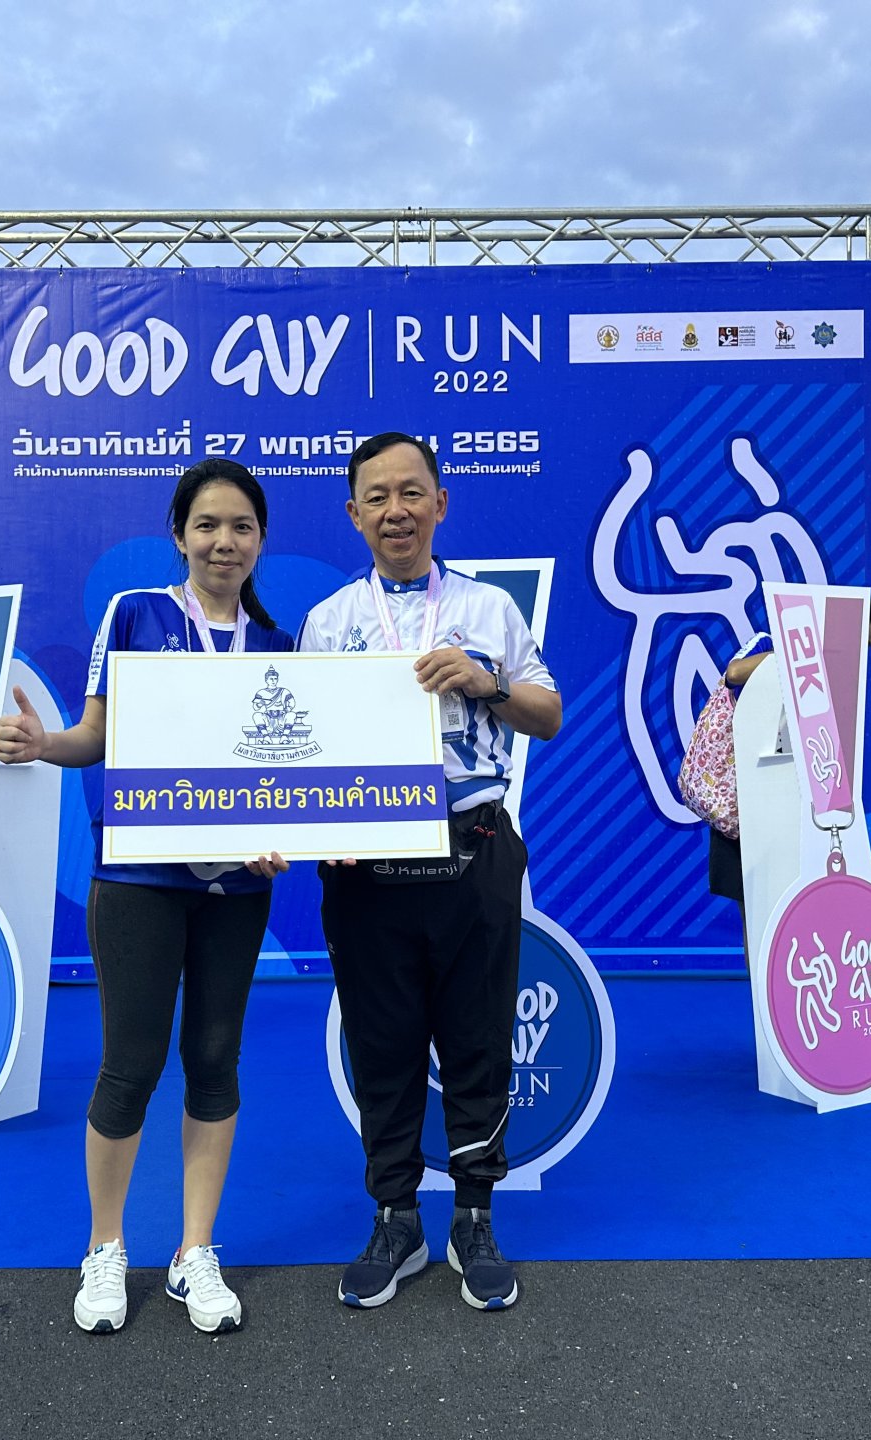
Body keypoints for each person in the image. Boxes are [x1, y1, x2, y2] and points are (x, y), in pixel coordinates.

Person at [0, 458, 292, 1336]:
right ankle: (106, 1246)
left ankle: (195, 1251)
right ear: (179, 534)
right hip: (138, 880)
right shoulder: (136, 614)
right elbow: (96, 733)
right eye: (208, 525)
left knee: (216, 1059)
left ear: (261, 540)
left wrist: (286, 833)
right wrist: (44, 744)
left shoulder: (278, 646)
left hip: (237, 886)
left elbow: (287, 777)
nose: (224, 542)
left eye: (241, 527)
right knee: (130, 1065)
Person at [297, 432, 561, 1315]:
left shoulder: (489, 608)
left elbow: (549, 713)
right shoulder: (329, 621)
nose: (396, 511)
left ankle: (475, 1216)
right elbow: (304, 750)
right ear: (354, 514)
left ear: (440, 503)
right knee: (383, 1043)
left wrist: (487, 683)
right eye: (377, 497)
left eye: (412, 492)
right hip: (365, 864)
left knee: (478, 1038)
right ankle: (396, 1217)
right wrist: (318, 827)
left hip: (471, 846)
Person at [715, 601, 871, 899]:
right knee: (751, 895)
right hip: (746, 796)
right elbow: (734, 673)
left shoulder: (842, 684)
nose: (860, 652)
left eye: (867, 647)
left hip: (797, 807)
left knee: (795, 895)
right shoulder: (769, 644)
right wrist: (795, 655)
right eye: (859, 641)